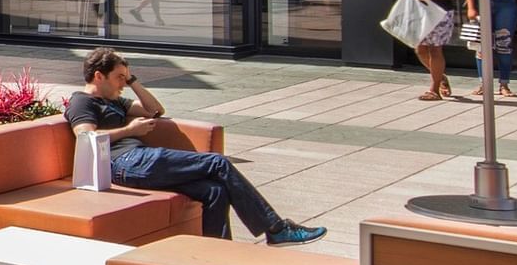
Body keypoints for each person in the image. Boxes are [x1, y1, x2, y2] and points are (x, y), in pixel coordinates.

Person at [66, 48, 324, 245]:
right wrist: (129, 130)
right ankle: (276, 229)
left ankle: (216, 253)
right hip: (125, 163)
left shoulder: (115, 101)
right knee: (218, 162)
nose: (123, 83)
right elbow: (86, 139)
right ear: (99, 76)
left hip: (141, 160)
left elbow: (155, 110)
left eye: (125, 78)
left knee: (214, 191)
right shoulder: (82, 103)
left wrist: (133, 80)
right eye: (118, 77)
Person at [398, 0, 463, 101]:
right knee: (419, 48)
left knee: (435, 49)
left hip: (439, 12)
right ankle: (440, 76)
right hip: (419, 12)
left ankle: (434, 89)